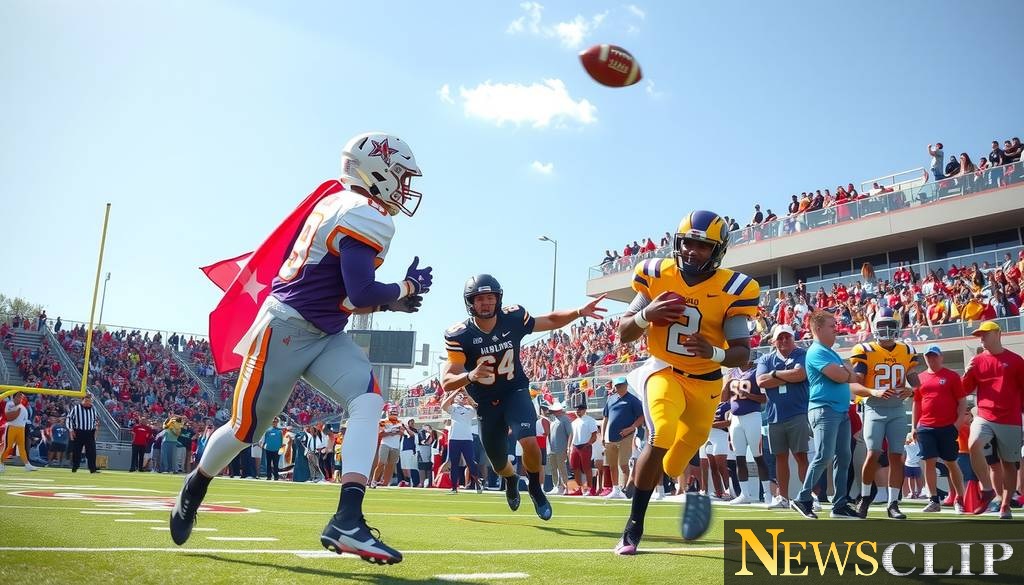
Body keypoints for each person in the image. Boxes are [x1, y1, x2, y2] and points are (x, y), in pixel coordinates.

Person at [170, 132, 430, 565]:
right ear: (376, 169)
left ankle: (348, 518)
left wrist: (394, 301)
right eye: (399, 175)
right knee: (244, 429)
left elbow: (343, 293)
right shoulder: (364, 214)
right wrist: (405, 286)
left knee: (368, 401)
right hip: (286, 331)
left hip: (326, 332)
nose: (403, 186)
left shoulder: (338, 202)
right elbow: (361, 291)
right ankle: (195, 485)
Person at [614, 210, 759, 554]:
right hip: (664, 370)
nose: (693, 251)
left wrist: (715, 352)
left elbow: (742, 353)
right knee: (661, 432)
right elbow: (623, 333)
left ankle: (649, 469)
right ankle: (634, 525)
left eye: (703, 246)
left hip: (707, 381)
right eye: (688, 243)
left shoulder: (734, 288)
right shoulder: (657, 274)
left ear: (718, 250)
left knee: (677, 460)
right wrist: (645, 315)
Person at [442, 274, 606, 520]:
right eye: (479, 299)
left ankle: (535, 488)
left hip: (514, 390)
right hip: (486, 402)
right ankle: (510, 479)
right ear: (470, 303)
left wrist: (579, 311)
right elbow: (447, 381)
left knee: (529, 440)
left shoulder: (513, 317)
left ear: (498, 299)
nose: (485, 303)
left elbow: (549, 320)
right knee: (498, 462)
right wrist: (471, 375)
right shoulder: (460, 335)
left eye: (490, 298)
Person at [848, 309, 922, 520]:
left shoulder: (906, 350)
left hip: (897, 409)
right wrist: (874, 391)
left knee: (897, 456)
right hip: (874, 407)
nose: (886, 329)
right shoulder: (865, 350)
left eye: (890, 324)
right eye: (882, 325)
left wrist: (913, 390)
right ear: (874, 327)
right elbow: (854, 385)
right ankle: (864, 498)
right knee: (873, 453)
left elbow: (914, 380)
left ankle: (893, 503)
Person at [790, 310, 859, 520]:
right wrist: (846, 371)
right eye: (831, 325)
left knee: (844, 456)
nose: (835, 329)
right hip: (824, 409)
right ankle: (803, 498)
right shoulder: (816, 351)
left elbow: (851, 376)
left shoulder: (831, 352)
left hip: (840, 410)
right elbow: (841, 376)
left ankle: (839, 504)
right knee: (823, 455)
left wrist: (846, 371)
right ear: (818, 329)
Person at [961, 321, 1024, 519]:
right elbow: (964, 390)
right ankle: (987, 490)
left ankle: (1006, 504)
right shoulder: (977, 360)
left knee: (1009, 464)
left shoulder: (1016, 361)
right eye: (979, 335)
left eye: (985, 334)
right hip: (985, 415)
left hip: (1010, 419)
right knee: (973, 444)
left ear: (997, 334)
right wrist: (967, 372)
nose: (981, 338)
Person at [755, 324, 810, 509]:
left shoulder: (801, 354)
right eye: (780, 337)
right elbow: (761, 381)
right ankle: (783, 498)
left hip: (797, 412)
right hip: (774, 415)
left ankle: (808, 496)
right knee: (780, 457)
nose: (784, 340)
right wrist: (788, 375)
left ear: (793, 339)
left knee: (801, 456)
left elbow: (801, 374)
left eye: (787, 337)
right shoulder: (765, 358)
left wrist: (775, 374)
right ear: (773, 340)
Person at [913, 345, 967, 513]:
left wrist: (958, 423)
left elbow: (962, 401)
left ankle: (959, 498)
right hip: (926, 426)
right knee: (929, 462)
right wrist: (914, 426)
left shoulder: (952, 376)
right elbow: (917, 403)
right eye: (929, 356)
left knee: (951, 462)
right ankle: (934, 500)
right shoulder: (919, 378)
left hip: (947, 427)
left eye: (935, 356)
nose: (932, 359)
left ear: (941, 357)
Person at [724, 352, 770, 505]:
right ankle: (744, 494)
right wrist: (727, 381)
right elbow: (723, 399)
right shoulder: (733, 372)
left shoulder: (757, 371)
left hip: (752, 416)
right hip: (735, 419)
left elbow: (765, 399)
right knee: (739, 458)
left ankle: (768, 495)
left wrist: (748, 395)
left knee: (758, 456)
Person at [602, 376, 644, 500]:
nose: (619, 387)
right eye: (617, 385)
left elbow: (641, 416)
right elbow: (605, 418)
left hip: (627, 437)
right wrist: (603, 435)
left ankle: (626, 490)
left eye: (622, 385)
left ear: (626, 385)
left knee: (624, 464)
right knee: (612, 465)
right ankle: (616, 490)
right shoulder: (610, 399)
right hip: (611, 438)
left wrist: (631, 428)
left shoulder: (633, 400)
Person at [440, 390, 482, 494]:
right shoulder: (453, 407)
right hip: (454, 438)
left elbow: (477, 406)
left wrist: (467, 395)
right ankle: (454, 487)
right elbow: (443, 406)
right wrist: (455, 393)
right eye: (460, 396)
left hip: (467, 439)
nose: (462, 397)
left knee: (470, 462)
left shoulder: (470, 408)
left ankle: (477, 482)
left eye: (462, 397)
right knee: (454, 463)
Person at [2, 393, 37, 472]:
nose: (22, 398)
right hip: (12, 427)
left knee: (22, 448)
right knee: (8, 447)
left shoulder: (23, 406)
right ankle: (0, 463)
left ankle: (27, 464)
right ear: (14, 397)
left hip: (21, 428)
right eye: (19, 397)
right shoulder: (10, 404)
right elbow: (9, 416)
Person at [568, 403, 599, 496]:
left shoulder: (590, 420)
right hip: (575, 446)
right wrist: (569, 446)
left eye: (580, 409)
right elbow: (572, 435)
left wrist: (588, 444)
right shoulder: (574, 422)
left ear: (585, 410)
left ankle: (590, 488)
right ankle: (579, 487)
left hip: (585, 446)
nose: (578, 411)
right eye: (577, 409)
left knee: (586, 468)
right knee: (575, 467)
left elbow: (594, 435)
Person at [67, 395, 99, 473]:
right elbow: (69, 419)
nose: (88, 402)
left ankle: (92, 468)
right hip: (79, 432)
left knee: (92, 451)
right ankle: (75, 466)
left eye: (89, 401)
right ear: (82, 401)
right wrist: (71, 429)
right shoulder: (76, 408)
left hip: (89, 432)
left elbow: (95, 419)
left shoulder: (93, 408)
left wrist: (96, 429)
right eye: (86, 401)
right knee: (77, 451)